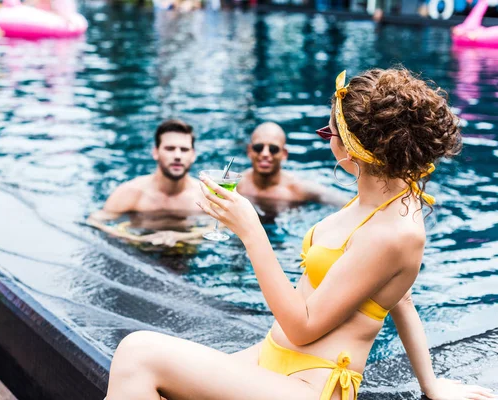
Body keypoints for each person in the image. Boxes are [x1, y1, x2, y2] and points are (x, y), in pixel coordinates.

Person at [104, 69, 497, 400]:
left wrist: (250, 229)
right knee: (146, 374)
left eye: (331, 133)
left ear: (354, 150)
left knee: (139, 352)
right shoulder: (373, 200)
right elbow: (404, 300)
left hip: (309, 385)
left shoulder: (395, 231)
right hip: (270, 359)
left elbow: (303, 326)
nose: (328, 139)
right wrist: (431, 386)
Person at [87, 119, 210, 247]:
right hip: (141, 249)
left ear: (193, 155)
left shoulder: (204, 195)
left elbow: (223, 226)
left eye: (184, 150)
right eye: (170, 149)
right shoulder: (131, 192)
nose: (177, 155)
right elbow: (94, 222)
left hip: (186, 248)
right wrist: (137, 239)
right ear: (155, 152)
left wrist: (182, 237)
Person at [237, 122, 348, 207]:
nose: (265, 154)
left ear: (284, 154)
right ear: (249, 151)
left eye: (273, 149)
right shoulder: (237, 185)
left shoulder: (297, 189)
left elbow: (344, 203)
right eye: (258, 148)